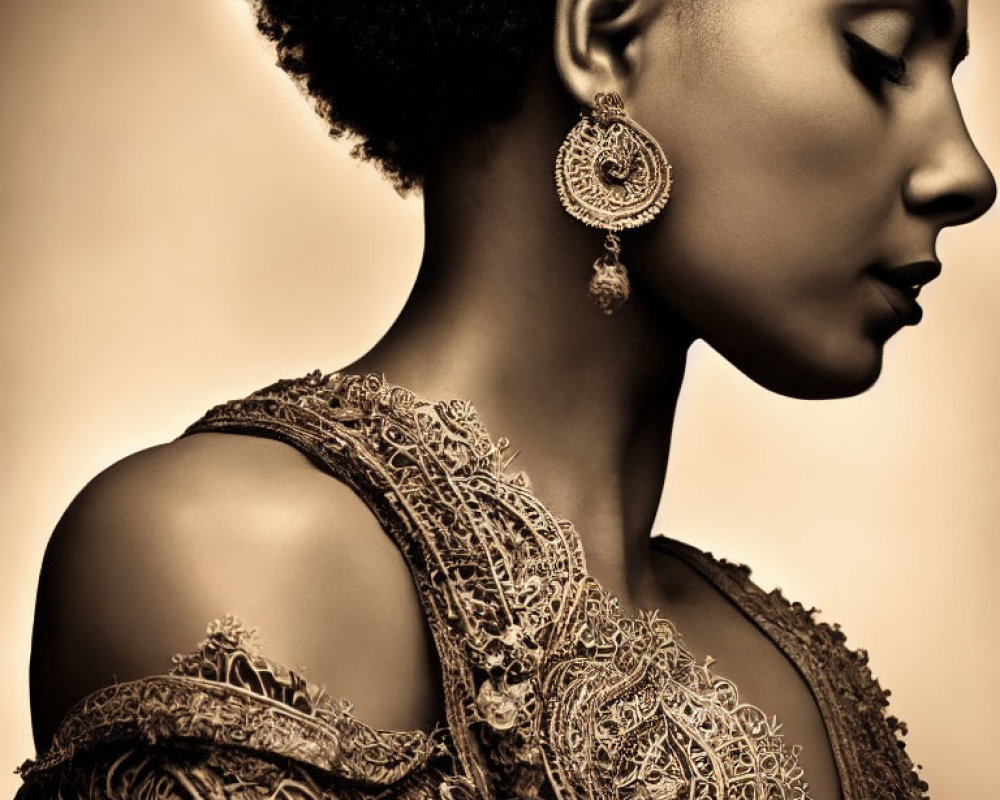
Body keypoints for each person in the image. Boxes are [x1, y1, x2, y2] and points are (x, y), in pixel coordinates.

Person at [15, 0, 995, 799]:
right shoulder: (229, 554)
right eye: (878, 56)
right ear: (609, 40)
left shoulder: (812, 682)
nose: (967, 169)